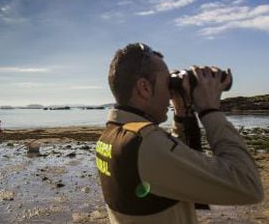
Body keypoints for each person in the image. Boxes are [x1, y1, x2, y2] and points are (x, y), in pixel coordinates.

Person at [96, 43, 264, 224]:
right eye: (168, 83)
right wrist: (210, 111)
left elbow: (173, 163)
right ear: (144, 88)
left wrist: (183, 113)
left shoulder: (113, 135)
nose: (170, 93)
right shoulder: (145, 143)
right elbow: (248, 185)